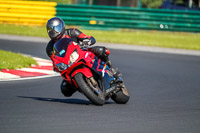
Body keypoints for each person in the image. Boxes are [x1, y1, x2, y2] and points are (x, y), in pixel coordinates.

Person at [46, 17, 119, 97]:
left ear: (61, 27)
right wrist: (56, 66)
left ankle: (110, 69)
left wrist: (88, 40)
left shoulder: (72, 32)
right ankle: (84, 87)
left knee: (103, 51)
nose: (54, 32)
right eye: (51, 30)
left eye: (56, 28)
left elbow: (87, 37)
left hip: (82, 52)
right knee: (65, 90)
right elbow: (55, 61)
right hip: (69, 64)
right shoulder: (50, 48)